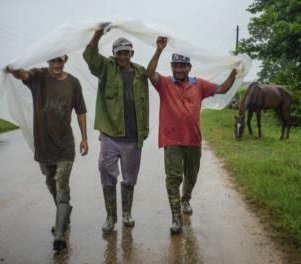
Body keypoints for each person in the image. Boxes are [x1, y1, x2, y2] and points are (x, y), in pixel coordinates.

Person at [146, 37, 237, 234]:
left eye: (182, 66)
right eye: (175, 66)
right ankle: (176, 217)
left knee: (191, 176)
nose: (178, 69)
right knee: (173, 177)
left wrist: (234, 72)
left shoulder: (199, 85)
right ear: (171, 67)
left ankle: (185, 199)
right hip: (171, 139)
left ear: (189, 67)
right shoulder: (164, 84)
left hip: (193, 139)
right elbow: (150, 73)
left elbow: (222, 89)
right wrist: (159, 50)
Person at [5, 55, 88, 251]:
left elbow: (81, 111)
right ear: (48, 62)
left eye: (60, 61)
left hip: (65, 146)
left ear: (65, 60)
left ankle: (59, 234)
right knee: (51, 185)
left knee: (62, 183)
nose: (57, 65)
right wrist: (12, 68)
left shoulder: (73, 83)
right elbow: (22, 74)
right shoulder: (38, 76)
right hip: (43, 146)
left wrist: (84, 138)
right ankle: (64, 217)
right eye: (53, 61)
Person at [83, 24, 149, 234]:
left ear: (132, 53)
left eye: (126, 52)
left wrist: (144, 130)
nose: (123, 56)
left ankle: (126, 214)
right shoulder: (106, 68)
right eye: (119, 52)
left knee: (130, 178)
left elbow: (146, 100)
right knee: (107, 174)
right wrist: (98, 33)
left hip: (133, 137)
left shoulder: (140, 72)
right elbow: (90, 55)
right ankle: (110, 217)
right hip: (110, 135)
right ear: (114, 54)